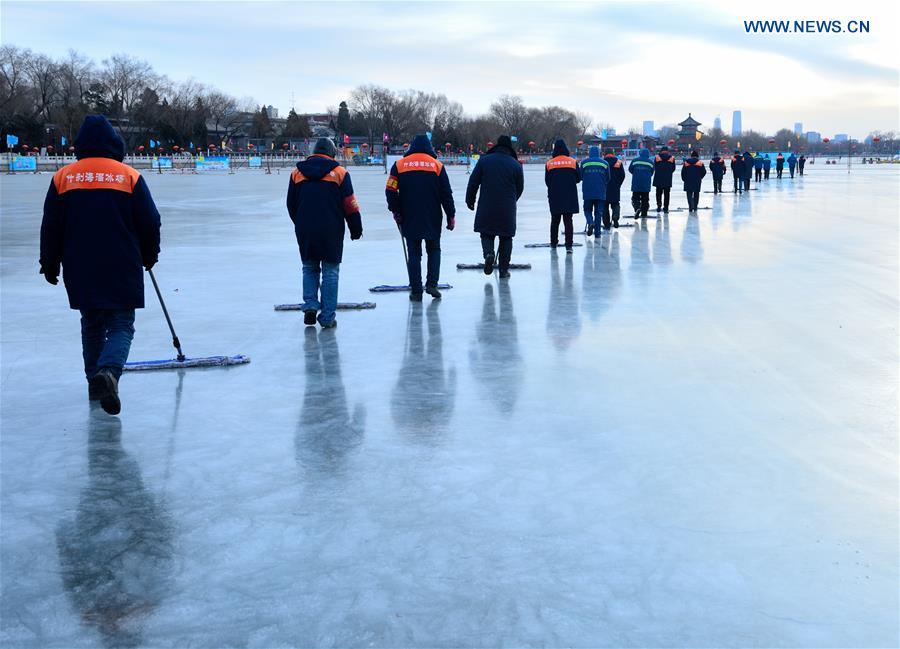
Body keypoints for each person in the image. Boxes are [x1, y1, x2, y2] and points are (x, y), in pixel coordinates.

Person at [40, 114, 161, 416]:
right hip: (122, 262)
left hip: (80, 265)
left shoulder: (64, 178)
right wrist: (150, 255)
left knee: (92, 323)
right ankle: (108, 372)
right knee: (121, 324)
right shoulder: (128, 176)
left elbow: (51, 226)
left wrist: (50, 263)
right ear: (114, 144)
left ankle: (95, 382)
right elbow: (150, 221)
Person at [287, 137, 363, 328]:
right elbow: (350, 204)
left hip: (305, 229)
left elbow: (291, 204)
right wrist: (356, 228)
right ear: (332, 153)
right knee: (330, 271)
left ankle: (310, 306)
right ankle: (327, 317)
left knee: (309, 267)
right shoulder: (340, 173)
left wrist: (301, 223)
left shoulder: (297, 174)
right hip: (331, 230)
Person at [386, 134, 456, 300]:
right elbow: (446, 193)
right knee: (434, 249)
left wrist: (396, 210)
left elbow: (390, 190)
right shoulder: (437, 166)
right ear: (429, 148)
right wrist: (451, 215)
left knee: (414, 253)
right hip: (433, 215)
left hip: (409, 215)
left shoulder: (399, 165)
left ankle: (416, 291)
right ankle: (432, 284)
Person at [466, 135, 524, 277]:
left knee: (486, 233)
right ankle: (503, 270)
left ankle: (488, 254)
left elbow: (473, 182)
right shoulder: (516, 165)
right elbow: (520, 187)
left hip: (487, 205)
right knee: (506, 237)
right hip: (507, 207)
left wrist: (470, 200)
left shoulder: (484, 161)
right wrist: (512, 200)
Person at [545, 139, 581, 252]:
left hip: (555, 195)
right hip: (569, 195)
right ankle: (569, 245)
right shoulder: (573, 162)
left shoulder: (549, 163)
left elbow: (547, 181)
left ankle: (553, 243)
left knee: (555, 220)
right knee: (568, 220)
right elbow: (578, 178)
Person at [580, 145, 609, 236]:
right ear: (599, 153)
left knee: (587, 210)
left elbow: (580, 176)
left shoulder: (584, 163)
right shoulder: (605, 163)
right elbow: (608, 178)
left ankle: (590, 222)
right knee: (598, 213)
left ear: (589, 153)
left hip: (588, 192)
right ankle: (597, 233)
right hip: (600, 191)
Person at [603, 149, 625, 229]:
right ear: (613, 154)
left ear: (605, 154)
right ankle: (615, 216)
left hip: (604, 188)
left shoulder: (602, 162)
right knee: (615, 204)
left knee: (604, 206)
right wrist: (618, 184)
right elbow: (622, 175)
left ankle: (606, 225)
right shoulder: (618, 162)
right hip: (615, 187)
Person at [628, 148, 654, 217]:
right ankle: (644, 213)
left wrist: (636, 174)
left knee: (635, 198)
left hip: (636, 183)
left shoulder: (635, 160)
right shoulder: (650, 162)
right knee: (645, 199)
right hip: (646, 184)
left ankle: (637, 208)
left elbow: (630, 169)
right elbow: (652, 172)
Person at [652, 146, 676, 213]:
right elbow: (673, 168)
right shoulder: (672, 158)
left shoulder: (657, 157)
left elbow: (655, 166)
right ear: (667, 151)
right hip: (667, 178)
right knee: (667, 194)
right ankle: (666, 208)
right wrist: (668, 172)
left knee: (658, 193)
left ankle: (659, 205)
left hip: (658, 178)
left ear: (661, 151)